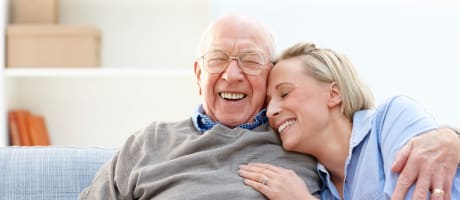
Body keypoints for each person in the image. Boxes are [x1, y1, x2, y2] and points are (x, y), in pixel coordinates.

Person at [80, 14, 459, 199]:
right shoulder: (148, 144)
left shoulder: (300, 151)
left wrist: (451, 137)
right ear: (198, 73)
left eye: (249, 60)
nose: (231, 75)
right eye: (217, 59)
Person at [238, 42, 460, 200]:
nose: (271, 112)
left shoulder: (390, 120)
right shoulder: (321, 188)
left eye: (285, 93)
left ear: (334, 94)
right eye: (268, 103)